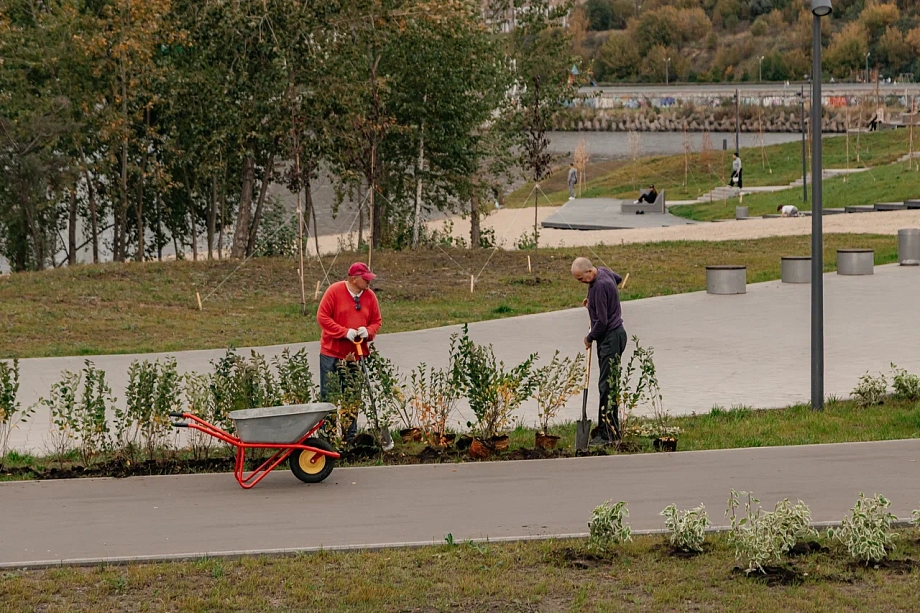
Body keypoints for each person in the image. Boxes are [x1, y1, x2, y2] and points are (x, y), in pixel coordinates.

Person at [316, 262, 383, 442]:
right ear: (354, 279)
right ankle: (327, 437)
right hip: (331, 353)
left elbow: (377, 321)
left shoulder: (370, 297)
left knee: (352, 396)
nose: (369, 282)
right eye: (365, 279)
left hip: (356, 356)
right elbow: (322, 317)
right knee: (329, 395)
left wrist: (368, 332)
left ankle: (349, 438)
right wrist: (344, 332)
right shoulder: (334, 291)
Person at [571, 257, 628, 446]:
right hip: (613, 336)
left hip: (610, 338)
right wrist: (594, 302)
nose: (580, 283)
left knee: (607, 386)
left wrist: (589, 338)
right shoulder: (603, 272)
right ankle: (611, 429)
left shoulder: (600, 285)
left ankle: (607, 435)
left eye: (581, 279)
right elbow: (617, 279)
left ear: (589, 271)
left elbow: (602, 322)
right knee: (608, 384)